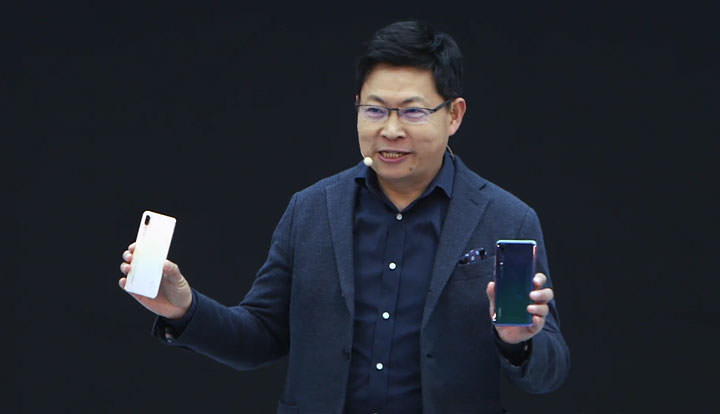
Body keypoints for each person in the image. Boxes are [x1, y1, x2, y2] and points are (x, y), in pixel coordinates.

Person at [119, 20, 569, 414]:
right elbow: (258, 338)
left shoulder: (505, 218)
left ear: (454, 114)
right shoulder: (312, 210)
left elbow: (549, 372)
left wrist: (517, 341)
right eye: (375, 110)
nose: (390, 129)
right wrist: (184, 309)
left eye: (413, 111)